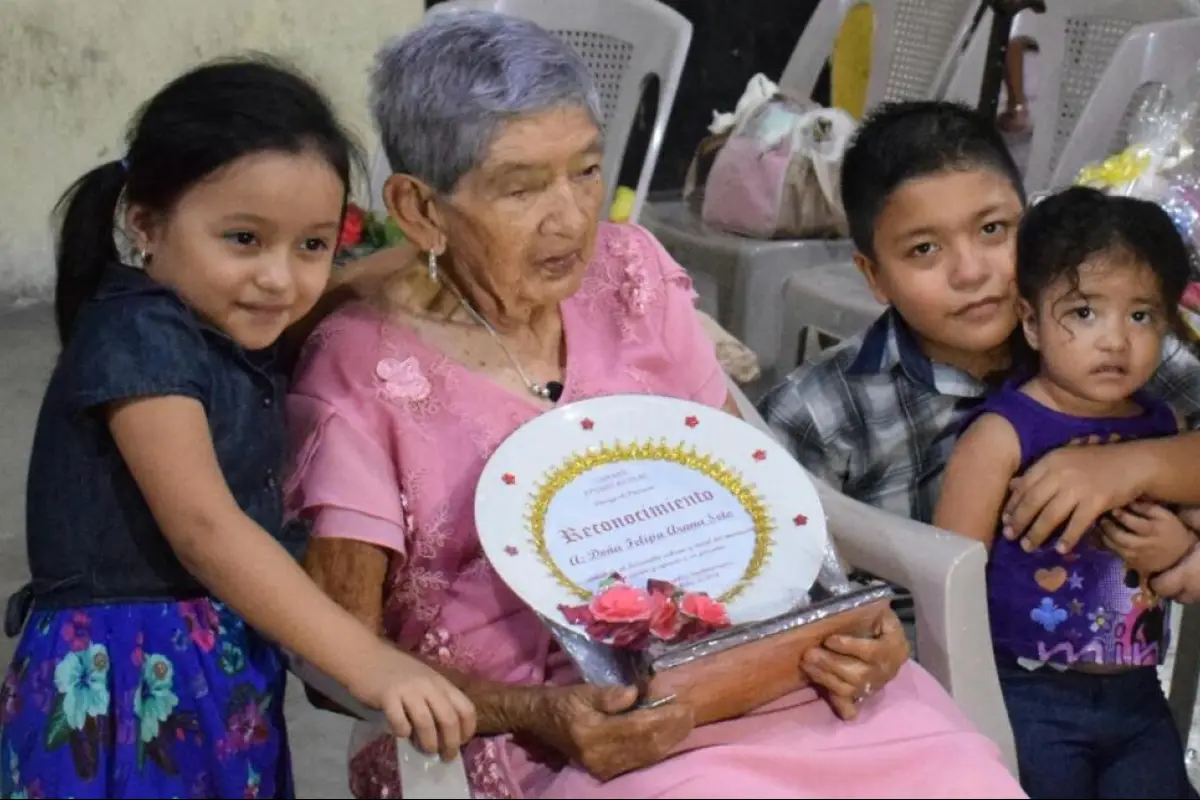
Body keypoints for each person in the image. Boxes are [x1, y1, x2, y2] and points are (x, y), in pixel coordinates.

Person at [283, 10, 1027, 800]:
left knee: (960, 776)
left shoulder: (629, 274)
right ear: (422, 208)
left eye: (585, 169)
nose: (572, 217)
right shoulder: (360, 371)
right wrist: (540, 712)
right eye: (521, 186)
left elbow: (762, 497)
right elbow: (337, 665)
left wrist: (850, 622)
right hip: (557, 734)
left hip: (756, 671)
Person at [0, 57, 475, 799]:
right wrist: (371, 661)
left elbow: (345, 287)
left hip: (216, 682)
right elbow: (207, 530)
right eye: (245, 240)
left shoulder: (219, 325)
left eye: (311, 244)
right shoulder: (138, 338)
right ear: (145, 223)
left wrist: (448, 246)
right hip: (123, 696)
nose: (281, 279)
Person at [757, 100, 1200, 543]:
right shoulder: (817, 414)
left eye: (992, 229)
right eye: (924, 249)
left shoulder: (1112, 341)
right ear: (875, 276)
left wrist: (1133, 467)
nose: (971, 273)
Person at [933, 186, 1199, 798]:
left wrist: (1177, 550)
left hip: (1136, 692)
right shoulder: (1003, 435)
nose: (1114, 340)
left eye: (1141, 316)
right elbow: (948, 579)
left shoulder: (1163, 429)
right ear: (1030, 321)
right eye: (1084, 313)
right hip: (1027, 694)